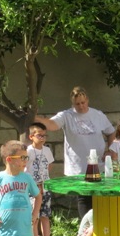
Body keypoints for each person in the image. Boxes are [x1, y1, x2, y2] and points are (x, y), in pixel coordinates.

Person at [39, 86, 115, 217]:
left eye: (83, 102)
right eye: (77, 104)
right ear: (72, 104)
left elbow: (111, 132)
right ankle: (85, 226)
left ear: (87, 100)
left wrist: (110, 150)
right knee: (83, 198)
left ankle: (100, 225)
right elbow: (51, 124)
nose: (81, 106)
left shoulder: (98, 115)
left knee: (99, 197)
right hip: (78, 167)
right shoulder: (66, 115)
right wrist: (35, 118)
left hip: (99, 165)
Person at [27, 122, 56, 236]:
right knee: (34, 217)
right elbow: (25, 168)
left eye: (44, 135)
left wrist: (44, 181)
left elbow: (49, 165)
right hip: (32, 189)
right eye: (39, 135)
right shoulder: (28, 151)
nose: (42, 138)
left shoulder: (47, 150)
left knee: (45, 215)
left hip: (45, 187)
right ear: (31, 136)